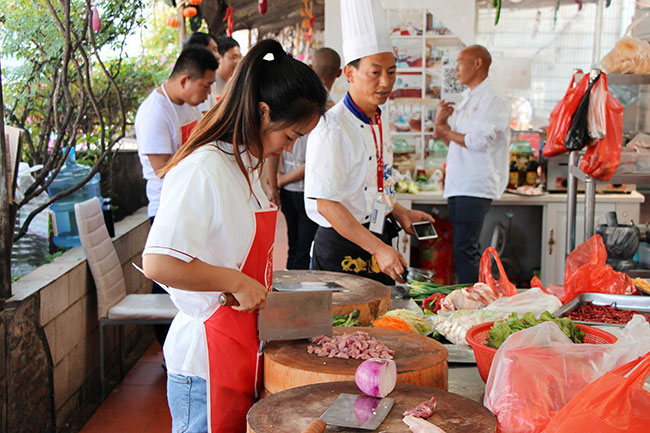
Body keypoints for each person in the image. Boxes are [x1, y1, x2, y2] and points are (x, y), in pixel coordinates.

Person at [142, 39, 327, 433]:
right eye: (290, 135)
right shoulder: (203, 168)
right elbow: (158, 263)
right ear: (263, 111)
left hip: (241, 347)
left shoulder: (244, 163)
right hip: (205, 361)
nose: (289, 146)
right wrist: (236, 281)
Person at [304, 0, 434, 285]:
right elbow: (327, 204)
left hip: (377, 238)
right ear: (349, 74)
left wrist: (400, 212)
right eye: (375, 73)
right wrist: (377, 248)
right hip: (341, 247)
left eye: (392, 72)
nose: (386, 83)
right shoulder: (331, 128)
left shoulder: (378, 117)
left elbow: (372, 184)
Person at [135, 46, 217, 346]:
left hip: (191, 204)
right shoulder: (154, 113)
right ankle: (166, 348)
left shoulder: (189, 105)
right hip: (166, 208)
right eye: (205, 85)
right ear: (185, 80)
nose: (208, 94)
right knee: (168, 282)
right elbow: (161, 169)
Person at [433, 45, 512, 283]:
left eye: (460, 62)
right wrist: (441, 126)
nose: (456, 68)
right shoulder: (468, 97)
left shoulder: (492, 99)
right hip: (459, 184)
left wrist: (446, 131)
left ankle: (474, 299)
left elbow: (478, 142)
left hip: (474, 185)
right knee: (461, 249)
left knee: (465, 250)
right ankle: (470, 296)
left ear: (477, 63)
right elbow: (456, 144)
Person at [261, 47, 341, 269]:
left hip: (291, 189)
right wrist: (278, 182)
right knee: (303, 249)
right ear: (341, 73)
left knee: (297, 247)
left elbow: (275, 149)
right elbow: (316, 162)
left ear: (311, 67)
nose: (289, 146)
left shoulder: (299, 105)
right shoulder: (330, 112)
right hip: (309, 191)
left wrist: (275, 183)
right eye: (291, 137)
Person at [200, 36, 243, 111]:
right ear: (219, 57)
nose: (239, 62)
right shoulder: (207, 84)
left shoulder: (234, 84)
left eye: (240, 57)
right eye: (234, 57)